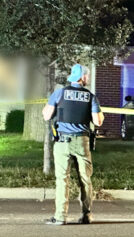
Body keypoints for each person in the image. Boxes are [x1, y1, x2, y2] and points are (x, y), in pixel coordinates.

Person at [42, 64, 104, 225]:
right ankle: (86, 215)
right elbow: (97, 121)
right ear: (82, 77)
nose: (88, 78)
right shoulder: (90, 96)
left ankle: (60, 216)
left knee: (62, 179)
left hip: (62, 143)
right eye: (87, 75)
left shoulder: (59, 93)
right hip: (82, 142)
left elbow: (47, 115)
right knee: (85, 179)